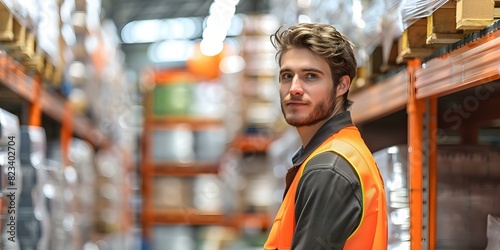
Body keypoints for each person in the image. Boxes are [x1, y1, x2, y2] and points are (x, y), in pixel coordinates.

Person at [264, 23, 388, 250]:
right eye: (286, 76)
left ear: (341, 85)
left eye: (310, 76)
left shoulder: (328, 170)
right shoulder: (340, 152)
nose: (294, 88)